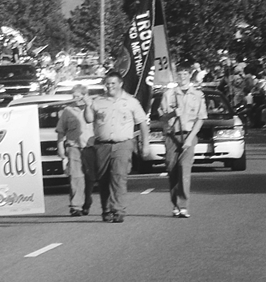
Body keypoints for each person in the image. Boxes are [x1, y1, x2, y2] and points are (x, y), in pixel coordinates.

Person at [84, 71, 150, 223]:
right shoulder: (98, 101)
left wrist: (145, 144)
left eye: (113, 83)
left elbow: (142, 123)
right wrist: (88, 106)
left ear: (120, 84)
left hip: (123, 144)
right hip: (102, 145)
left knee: (119, 176)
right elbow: (88, 119)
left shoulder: (131, 101)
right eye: (107, 83)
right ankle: (106, 210)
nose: (110, 86)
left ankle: (118, 209)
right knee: (104, 179)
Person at [158, 66, 207, 219]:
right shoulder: (168, 94)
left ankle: (183, 205)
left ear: (190, 75)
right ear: (175, 76)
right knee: (172, 170)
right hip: (172, 136)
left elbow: (201, 118)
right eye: (179, 74)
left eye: (185, 74)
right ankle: (175, 204)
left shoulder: (197, 95)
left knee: (184, 169)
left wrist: (191, 138)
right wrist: (173, 113)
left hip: (188, 135)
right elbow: (161, 117)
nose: (182, 77)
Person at [55, 84, 95, 217]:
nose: (76, 99)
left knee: (89, 178)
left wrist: (88, 105)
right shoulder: (67, 110)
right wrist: (60, 147)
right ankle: (76, 206)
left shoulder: (93, 107)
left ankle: (86, 201)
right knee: (76, 177)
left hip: (90, 148)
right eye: (74, 96)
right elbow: (61, 131)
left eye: (78, 96)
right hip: (74, 147)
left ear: (85, 95)